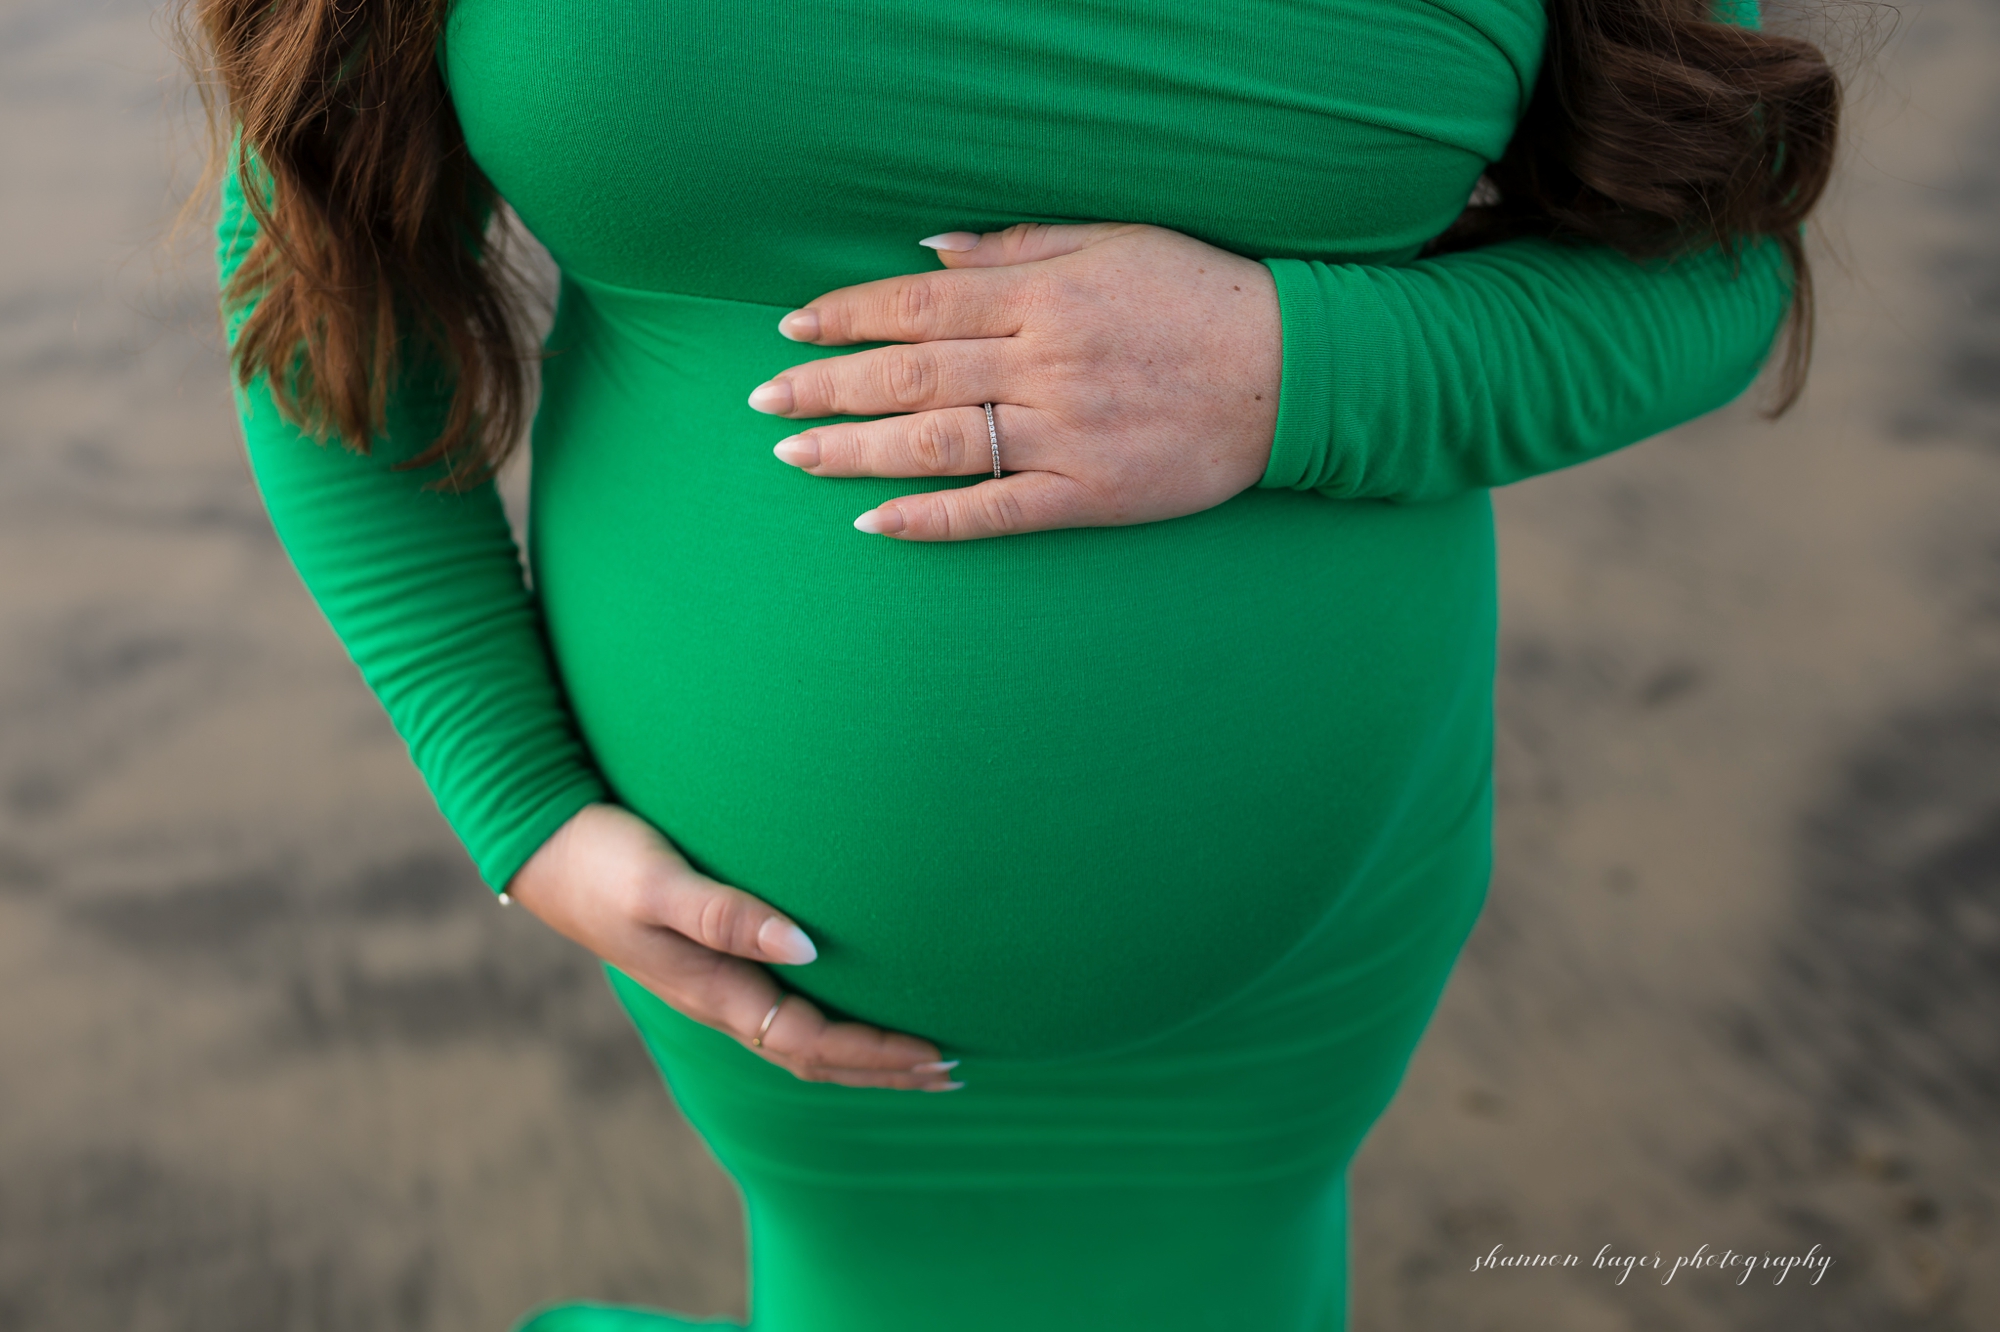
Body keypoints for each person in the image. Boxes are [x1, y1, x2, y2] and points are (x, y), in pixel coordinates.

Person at [182, 0, 1837, 1325]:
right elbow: (321, 263)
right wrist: (516, 799)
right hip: (760, 972)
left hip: (1290, 977)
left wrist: (1294, 366)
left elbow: (1717, 259)